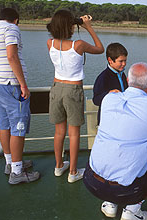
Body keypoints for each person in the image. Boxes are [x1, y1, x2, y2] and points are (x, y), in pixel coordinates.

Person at [83, 62, 147, 220]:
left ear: (127, 81)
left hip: (91, 182)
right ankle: (132, 210)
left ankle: (110, 205)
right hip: (126, 190)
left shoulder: (109, 100)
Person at [0, 8, 40, 184]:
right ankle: (17, 172)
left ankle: (11, 164)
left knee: (4, 124)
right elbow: (11, 55)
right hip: (10, 84)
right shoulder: (11, 29)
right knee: (18, 127)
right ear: (16, 20)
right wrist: (23, 83)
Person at [46, 10, 104, 183]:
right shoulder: (78, 45)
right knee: (74, 133)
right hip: (73, 90)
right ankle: (72, 172)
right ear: (70, 26)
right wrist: (88, 27)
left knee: (59, 132)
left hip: (56, 88)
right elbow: (100, 49)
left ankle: (58, 166)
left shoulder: (50, 43)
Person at [93, 42, 128, 124]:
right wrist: (108, 93)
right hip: (108, 120)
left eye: (125, 60)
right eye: (121, 61)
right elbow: (96, 100)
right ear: (110, 60)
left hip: (121, 117)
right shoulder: (103, 77)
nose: (124, 64)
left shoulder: (122, 74)